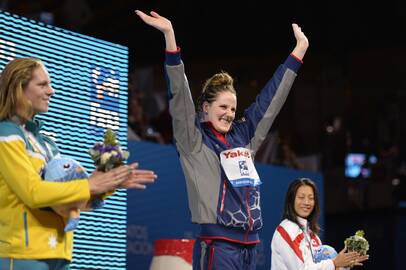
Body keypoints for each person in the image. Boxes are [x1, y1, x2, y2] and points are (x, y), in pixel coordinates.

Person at [136, 10, 308, 270]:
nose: (229, 114)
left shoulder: (244, 136)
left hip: (251, 248)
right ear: (205, 107)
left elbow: (271, 101)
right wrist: (170, 38)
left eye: (233, 109)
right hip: (219, 245)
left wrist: (299, 52)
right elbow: (180, 96)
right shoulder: (193, 140)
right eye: (223, 107)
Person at [0, 57, 157, 270]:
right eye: (43, 84)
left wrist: (109, 183)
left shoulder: (46, 143)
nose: (51, 91)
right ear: (19, 87)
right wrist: (91, 184)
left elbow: (68, 201)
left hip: (58, 253)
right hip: (21, 256)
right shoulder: (6, 133)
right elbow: (32, 192)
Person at [271, 178, 369, 269]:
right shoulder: (287, 229)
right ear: (291, 200)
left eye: (311, 198)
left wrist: (344, 264)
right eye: (301, 197)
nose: (306, 202)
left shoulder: (313, 236)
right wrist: (334, 263)